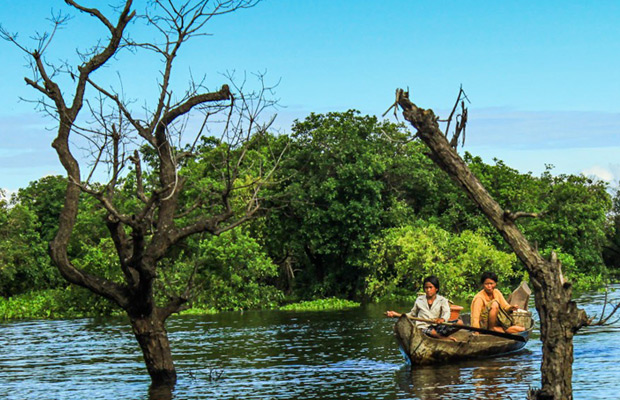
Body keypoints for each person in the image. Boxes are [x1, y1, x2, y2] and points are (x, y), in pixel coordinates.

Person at [385, 276, 460, 340]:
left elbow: (446, 313)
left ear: (436, 289)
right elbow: (412, 315)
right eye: (426, 288)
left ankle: (440, 335)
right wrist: (396, 314)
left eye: (431, 287)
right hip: (423, 328)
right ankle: (444, 338)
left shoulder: (442, 300)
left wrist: (442, 319)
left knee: (459, 323)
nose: (428, 290)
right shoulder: (419, 300)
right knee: (431, 332)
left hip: (436, 326)